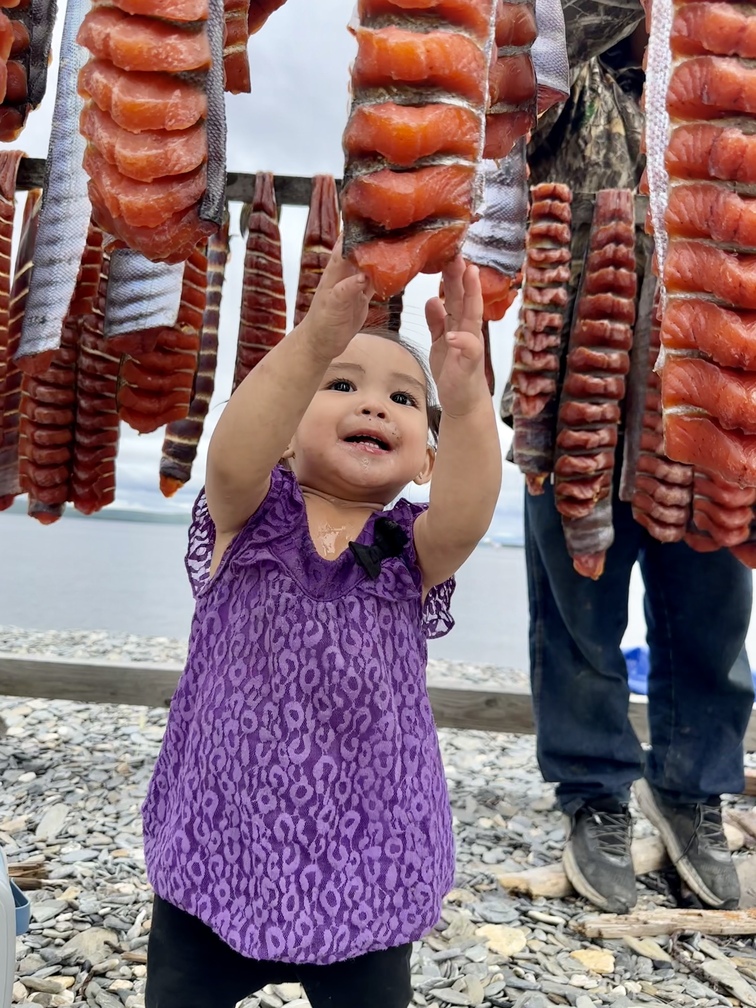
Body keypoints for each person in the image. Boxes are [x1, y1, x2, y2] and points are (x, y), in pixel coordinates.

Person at [140, 241, 502, 1008]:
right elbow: (235, 451)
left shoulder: (409, 547)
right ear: (289, 423)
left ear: (425, 461)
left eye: (406, 400)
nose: (375, 404)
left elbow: (469, 513)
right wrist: (311, 341)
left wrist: (467, 402)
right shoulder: (251, 515)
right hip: (220, 849)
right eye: (340, 384)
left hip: (368, 863)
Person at [517, 7, 755, 913]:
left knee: (711, 614)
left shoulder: (734, 108)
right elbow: (544, 46)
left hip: (709, 398)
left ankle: (694, 792)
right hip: (578, 384)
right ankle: (593, 798)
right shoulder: (570, 93)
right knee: (576, 617)